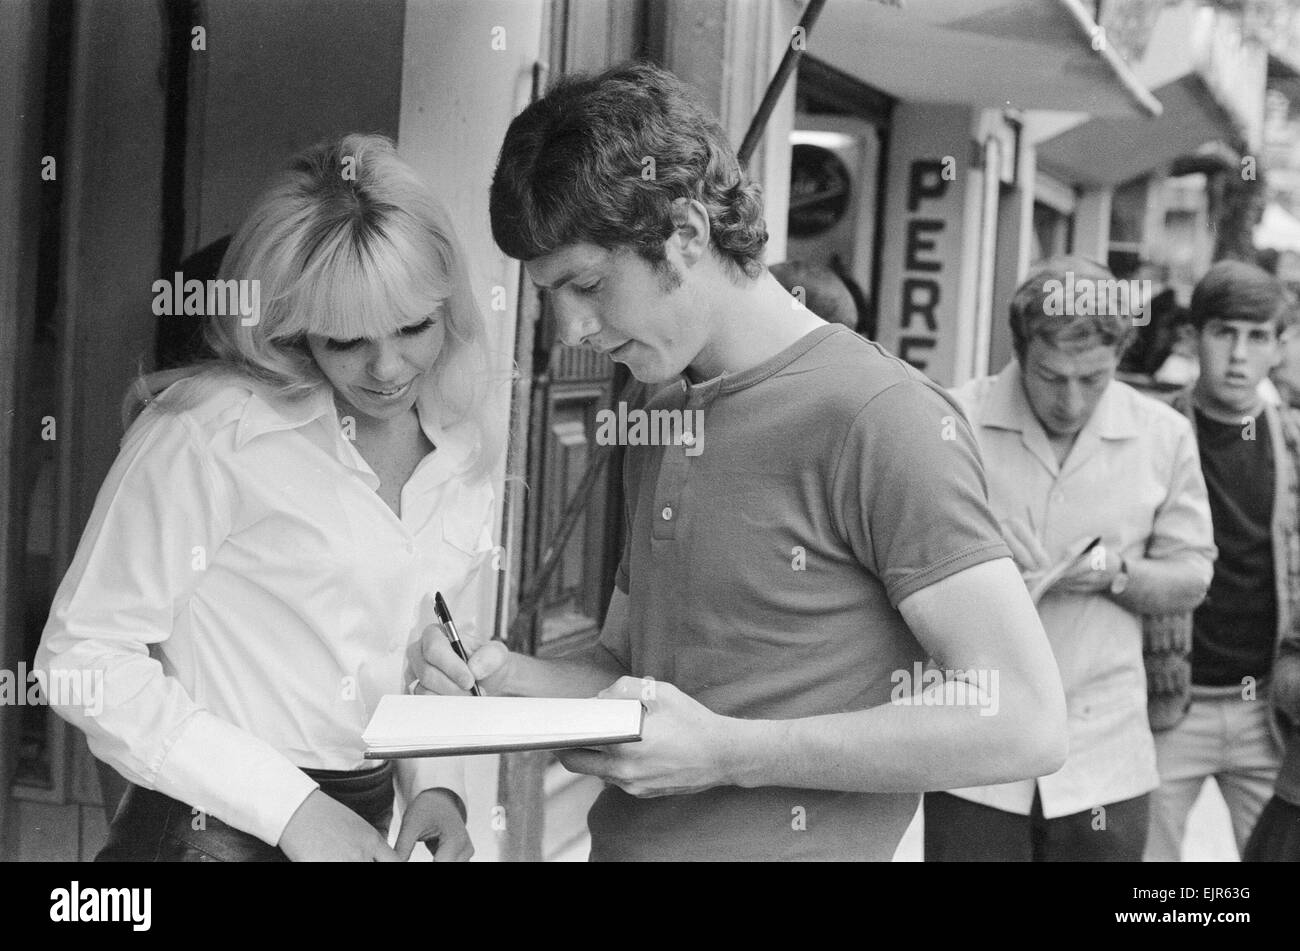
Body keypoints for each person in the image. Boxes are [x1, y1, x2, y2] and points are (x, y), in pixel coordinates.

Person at [412, 61, 1067, 862]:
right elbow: (631, 673)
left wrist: (730, 751)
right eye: (551, 294)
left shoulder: (881, 417)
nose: (570, 327)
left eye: (587, 283)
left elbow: (1025, 716)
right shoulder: (661, 407)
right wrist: (504, 675)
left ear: (686, 234)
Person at [35, 133, 500, 861]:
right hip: (207, 834)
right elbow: (81, 655)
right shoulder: (210, 431)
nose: (387, 368)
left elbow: (435, 652)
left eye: (415, 327)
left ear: (450, 305)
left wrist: (439, 785)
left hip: (364, 828)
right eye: (345, 341)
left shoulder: (461, 445)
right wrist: (293, 809)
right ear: (294, 326)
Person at [926, 257, 1216, 861]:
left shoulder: (1163, 435)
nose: (1071, 400)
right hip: (974, 752)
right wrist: (977, 563)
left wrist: (1119, 576)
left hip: (1105, 753)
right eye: (1051, 377)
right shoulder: (952, 421)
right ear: (1017, 350)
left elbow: (1192, 576)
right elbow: (896, 569)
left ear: (1120, 359)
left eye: (1094, 379)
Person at [1146, 260, 1300, 861]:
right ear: (1194, 336)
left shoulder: (1291, 443)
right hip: (1168, 707)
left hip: (1267, 711)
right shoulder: (1153, 434)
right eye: (1224, 332)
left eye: (1257, 336)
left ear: (1278, 346)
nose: (1238, 355)